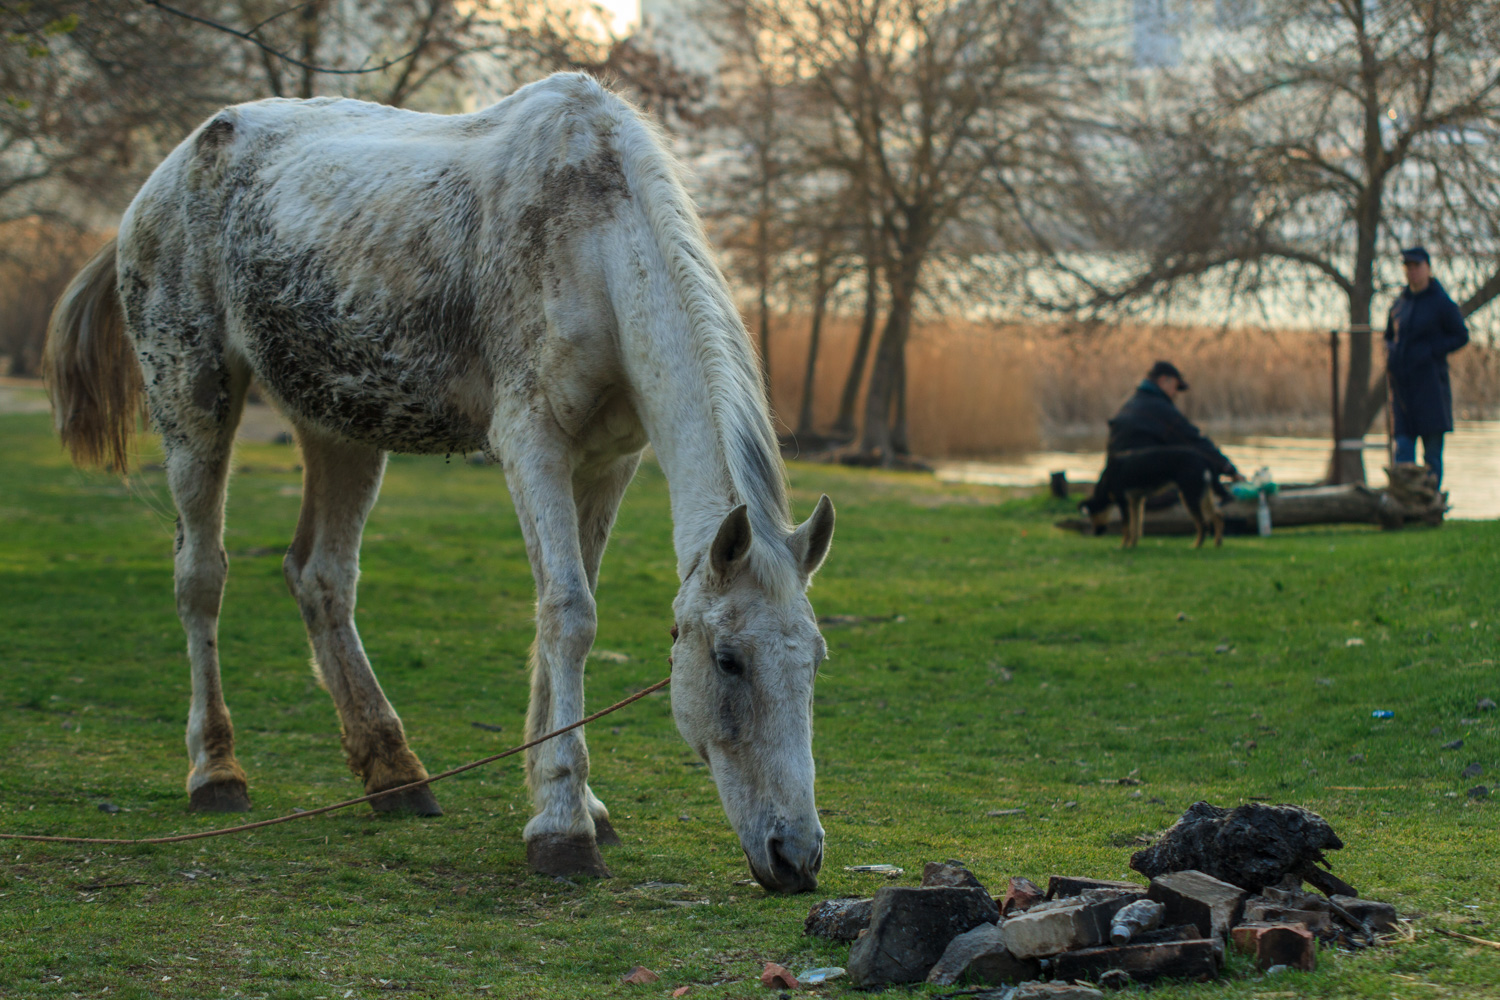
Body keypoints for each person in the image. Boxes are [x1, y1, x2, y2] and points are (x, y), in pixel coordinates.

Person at [1384, 246, 1469, 486]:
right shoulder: (1399, 304)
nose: (1412, 272)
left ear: (1428, 268)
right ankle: (1405, 504)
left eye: (1416, 266)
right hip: (1402, 393)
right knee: (1402, 450)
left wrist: (1431, 351)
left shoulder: (1441, 303)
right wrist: (1391, 354)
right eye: (1408, 267)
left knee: (1431, 455)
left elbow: (1461, 335)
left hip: (1431, 391)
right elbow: (1389, 336)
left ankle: (1430, 506)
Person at [1105, 361, 1243, 481]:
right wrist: (1230, 470)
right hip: (1146, 488)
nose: (1176, 393)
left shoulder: (1130, 403)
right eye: (1176, 387)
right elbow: (1194, 441)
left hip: (1120, 483)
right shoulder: (1160, 408)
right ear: (1164, 380)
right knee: (1192, 461)